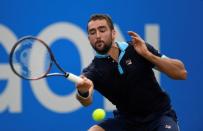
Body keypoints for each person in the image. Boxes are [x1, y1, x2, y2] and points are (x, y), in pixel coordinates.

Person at [76, 14, 187, 131]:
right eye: (92, 32)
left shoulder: (136, 48)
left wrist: (147, 55)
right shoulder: (93, 70)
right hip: (127, 122)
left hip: (159, 117)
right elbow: (86, 101)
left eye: (102, 30)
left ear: (113, 33)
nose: (98, 36)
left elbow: (181, 73)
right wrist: (83, 91)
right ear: (89, 39)